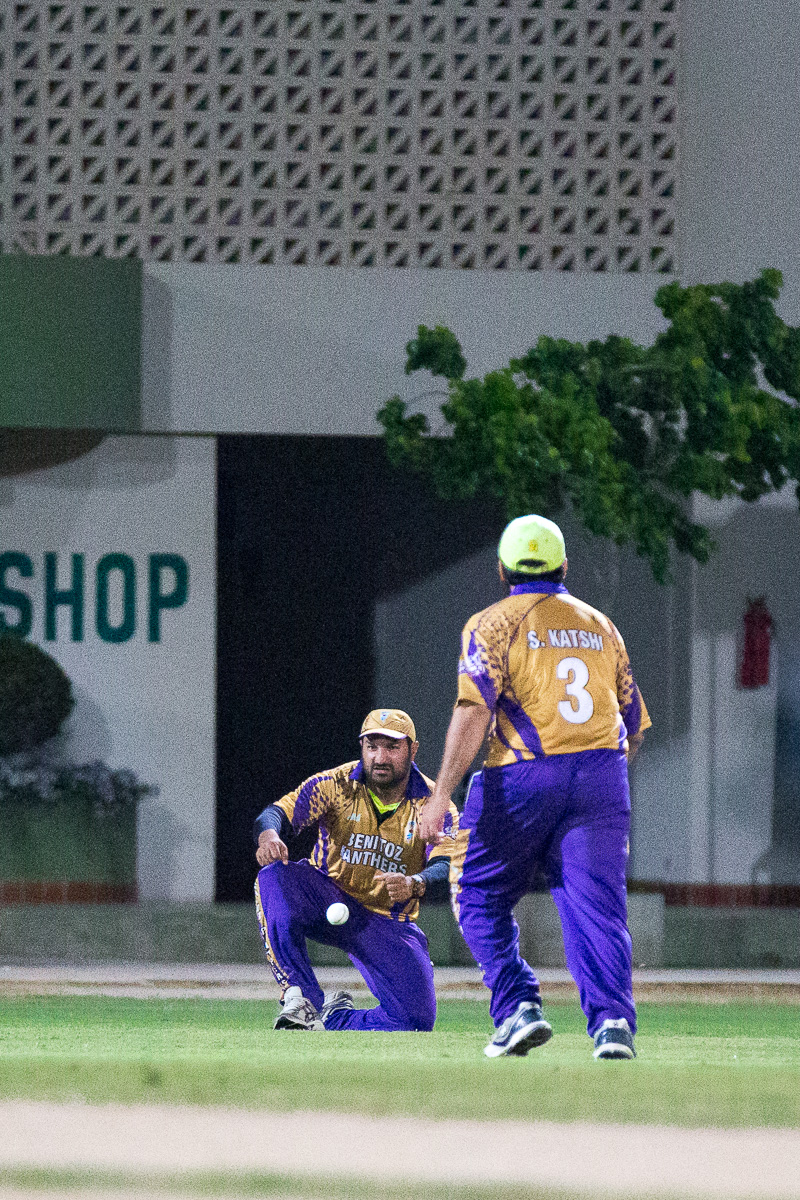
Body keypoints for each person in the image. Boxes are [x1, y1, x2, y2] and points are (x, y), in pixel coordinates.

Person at [419, 514, 650, 1061]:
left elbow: (473, 710)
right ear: (564, 566)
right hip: (602, 774)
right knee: (597, 909)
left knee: (475, 893)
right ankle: (613, 1025)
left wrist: (440, 794)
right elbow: (634, 724)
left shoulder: (492, 623)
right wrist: (599, 786)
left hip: (522, 776)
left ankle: (517, 1007)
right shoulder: (601, 625)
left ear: (502, 570)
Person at [254, 708, 459, 1032]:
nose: (380, 757)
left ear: (413, 750)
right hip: (326, 895)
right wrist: (269, 835)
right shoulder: (335, 784)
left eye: (392, 747)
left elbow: (447, 862)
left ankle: (335, 1018)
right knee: (273, 876)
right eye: (372, 746)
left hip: (386, 918)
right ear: (362, 747)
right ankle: (301, 999)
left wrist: (415, 882)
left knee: (415, 1021)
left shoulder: (435, 804)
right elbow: (276, 813)